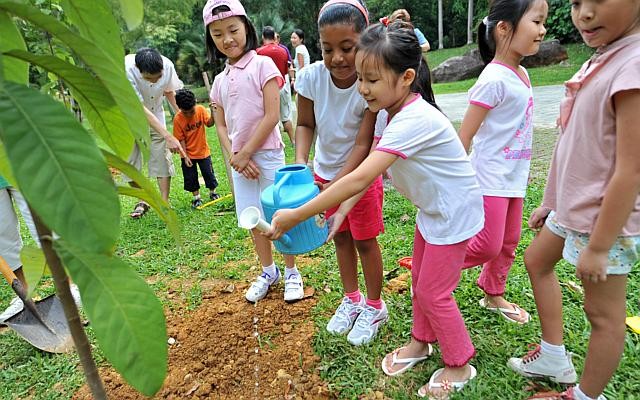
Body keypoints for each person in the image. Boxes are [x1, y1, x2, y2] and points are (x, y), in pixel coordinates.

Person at [268, 21, 485, 399]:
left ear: (406, 78)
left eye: (371, 80)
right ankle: (421, 343)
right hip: (434, 212)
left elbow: (358, 177)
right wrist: (339, 213)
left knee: (434, 293)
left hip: (454, 216)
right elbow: (365, 178)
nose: (362, 88)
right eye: (361, 79)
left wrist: (296, 214)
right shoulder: (389, 113)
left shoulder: (413, 120)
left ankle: (459, 361)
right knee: (419, 279)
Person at [507, 0, 640, 399]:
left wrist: (599, 247)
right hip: (572, 208)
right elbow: (574, 145)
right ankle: (553, 355)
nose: (584, 13)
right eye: (578, 2)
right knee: (536, 260)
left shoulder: (632, 66)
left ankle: (584, 395)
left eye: (598, 0)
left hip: (605, 223)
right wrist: (551, 202)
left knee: (603, 317)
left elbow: (631, 170)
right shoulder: (602, 57)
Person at [294, 0, 387, 346]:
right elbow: (305, 123)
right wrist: (302, 162)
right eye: (327, 48)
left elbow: (363, 145)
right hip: (323, 175)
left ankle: (375, 306)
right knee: (340, 237)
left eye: (347, 48)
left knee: (364, 240)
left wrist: (338, 185)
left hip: (359, 177)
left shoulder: (369, 84)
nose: (337, 58)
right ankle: (352, 299)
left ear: (364, 41)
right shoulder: (311, 78)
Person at [203, 0, 303, 303]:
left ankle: (291, 272)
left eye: (233, 29)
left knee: (277, 213)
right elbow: (220, 125)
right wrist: (236, 156)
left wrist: (246, 153)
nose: (228, 39)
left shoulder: (263, 65)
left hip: (267, 154)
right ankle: (267, 270)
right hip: (239, 161)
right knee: (253, 218)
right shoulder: (219, 81)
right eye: (218, 34)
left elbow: (272, 115)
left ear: (247, 27)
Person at [455, 0, 548, 325]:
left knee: (508, 243)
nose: (542, 29)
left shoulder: (520, 73)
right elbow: (465, 136)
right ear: (504, 29)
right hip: (489, 176)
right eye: (536, 22)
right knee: (487, 245)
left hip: (514, 177)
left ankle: (492, 292)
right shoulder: (493, 78)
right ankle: (434, 270)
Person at [0, 177, 81, 323]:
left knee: (43, 224)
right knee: (3, 240)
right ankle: (25, 297)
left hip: (19, 163)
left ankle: (69, 287)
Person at [124, 47, 186, 218]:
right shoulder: (126, 69)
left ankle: (164, 202)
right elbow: (139, 107)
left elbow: (169, 91)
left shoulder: (167, 66)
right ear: (138, 70)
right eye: (149, 79)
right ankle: (145, 199)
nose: (154, 82)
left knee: (161, 159)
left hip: (156, 115)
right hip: (128, 116)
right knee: (128, 163)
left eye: (157, 77)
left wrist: (182, 117)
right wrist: (168, 135)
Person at [172, 88, 220, 209]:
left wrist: (213, 114)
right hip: (188, 154)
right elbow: (180, 139)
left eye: (191, 111)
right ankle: (196, 198)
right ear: (179, 108)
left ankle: (212, 192)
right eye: (185, 112)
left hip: (203, 151)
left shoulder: (200, 110)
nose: (189, 114)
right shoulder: (178, 119)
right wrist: (185, 156)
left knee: (208, 173)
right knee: (190, 177)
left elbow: (209, 124)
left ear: (195, 102)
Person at [258, 26, 296, 146]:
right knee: (286, 116)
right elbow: (286, 70)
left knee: (271, 116)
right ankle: (293, 141)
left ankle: (277, 143)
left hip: (267, 87)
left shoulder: (259, 52)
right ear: (274, 36)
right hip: (282, 85)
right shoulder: (283, 50)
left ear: (263, 37)